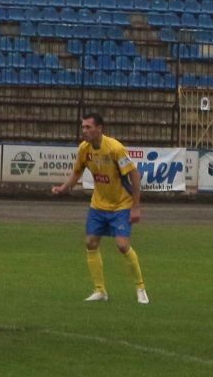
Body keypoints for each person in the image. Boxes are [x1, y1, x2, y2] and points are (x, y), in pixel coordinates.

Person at [52, 113, 148, 304]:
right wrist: (64, 187)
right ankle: (100, 290)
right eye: (83, 127)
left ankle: (141, 288)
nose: (84, 131)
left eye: (88, 127)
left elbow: (135, 176)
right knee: (91, 243)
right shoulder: (84, 149)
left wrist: (136, 207)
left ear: (99, 129)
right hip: (98, 205)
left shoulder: (115, 149)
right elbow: (77, 172)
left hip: (121, 204)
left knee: (122, 245)